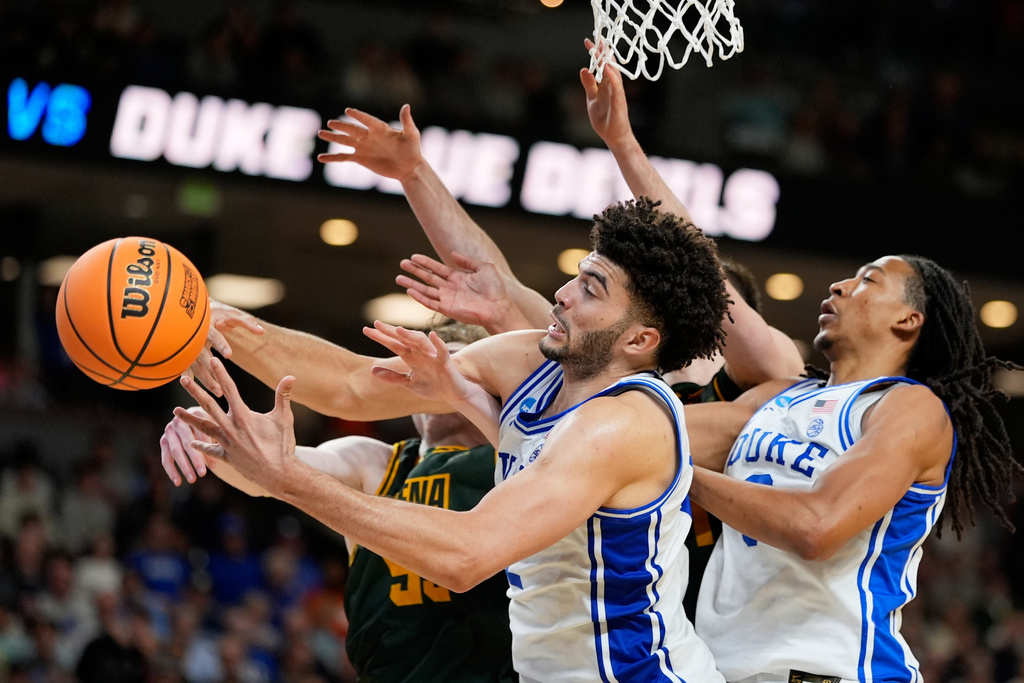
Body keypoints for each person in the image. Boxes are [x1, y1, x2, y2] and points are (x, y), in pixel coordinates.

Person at [165, 198, 734, 682]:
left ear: (639, 338)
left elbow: (467, 555)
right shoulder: (526, 360)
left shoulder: (623, 424)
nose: (561, 293)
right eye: (577, 276)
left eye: (591, 289)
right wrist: (221, 325)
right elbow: (351, 385)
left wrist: (289, 478)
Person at [316, 54, 805, 618]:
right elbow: (495, 285)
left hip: (693, 635)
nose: (569, 296)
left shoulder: (743, 394)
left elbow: (691, 260)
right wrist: (415, 175)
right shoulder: (595, 367)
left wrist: (624, 145)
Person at [682, 254, 1023, 682]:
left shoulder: (908, 406)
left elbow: (815, 527)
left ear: (907, 318)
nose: (839, 286)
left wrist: (681, 475)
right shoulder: (779, 397)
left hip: (833, 673)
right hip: (722, 667)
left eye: (868, 281)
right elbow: (647, 437)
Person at [163, 322, 516, 683]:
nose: (437, 375)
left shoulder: (519, 466)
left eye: (455, 364)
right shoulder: (375, 462)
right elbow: (271, 474)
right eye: (421, 367)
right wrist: (208, 434)